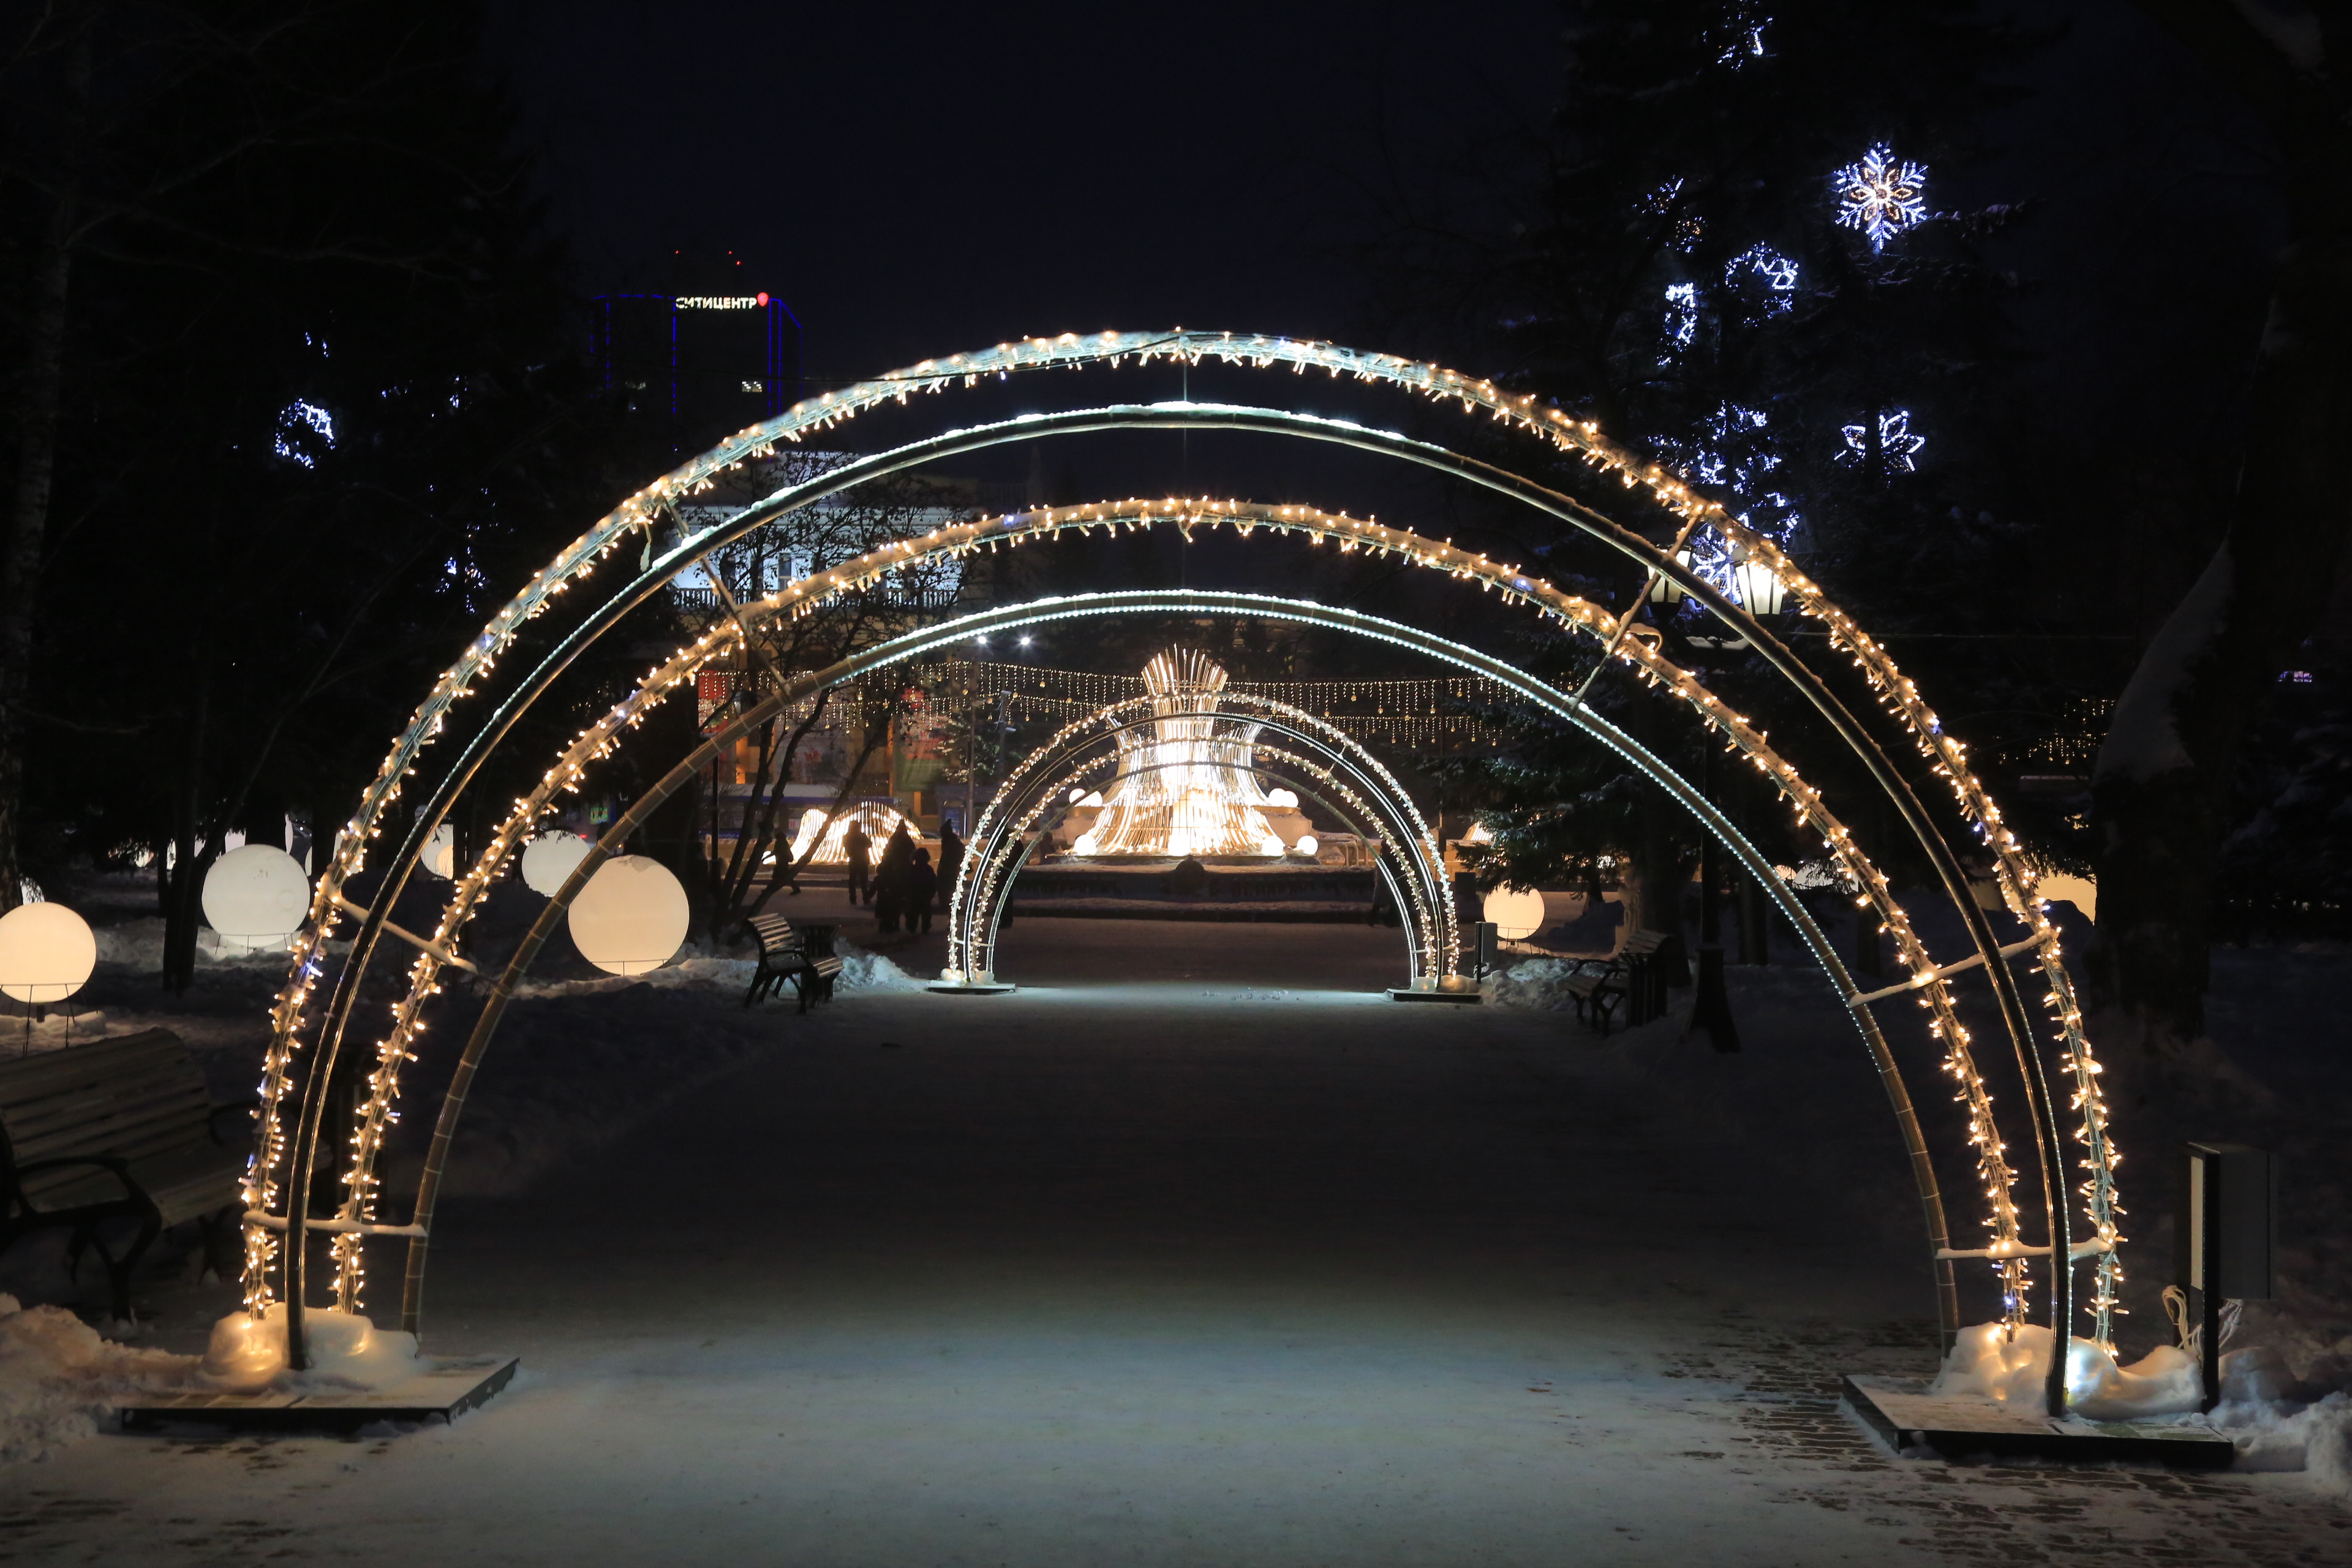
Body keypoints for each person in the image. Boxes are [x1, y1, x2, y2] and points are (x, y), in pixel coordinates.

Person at [874, 821, 915, 933]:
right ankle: (906, 923)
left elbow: (887, 854)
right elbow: (912, 853)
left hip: (894, 873)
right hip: (903, 873)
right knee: (903, 899)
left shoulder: (894, 840)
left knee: (894, 900)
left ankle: (892, 922)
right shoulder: (907, 841)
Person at [907, 848, 938, 935]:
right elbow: (933, 881)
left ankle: (912, 927)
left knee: (914, 911)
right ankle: (925, 927)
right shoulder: (928, 869)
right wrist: (932, 892)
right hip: (925, 893)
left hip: (915, 893)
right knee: (925, 912)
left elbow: (908, 881)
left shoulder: (913, 869)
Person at [843, 819, 873, 906]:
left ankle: (853, 899)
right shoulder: (862, 836)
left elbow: (846, 846)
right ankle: (865, 898)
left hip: (853, 860)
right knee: (864, 881)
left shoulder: (847, 837)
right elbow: (870, 844)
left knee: (852, 881)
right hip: (863, 860)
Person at [935, 820, 963, 911]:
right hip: (951, 871)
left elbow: (948, 858)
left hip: (949, 871)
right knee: (949, 889)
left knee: (947, 889)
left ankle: (947, 906)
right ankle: (949, 905)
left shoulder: (949, 843)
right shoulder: (952, 842)